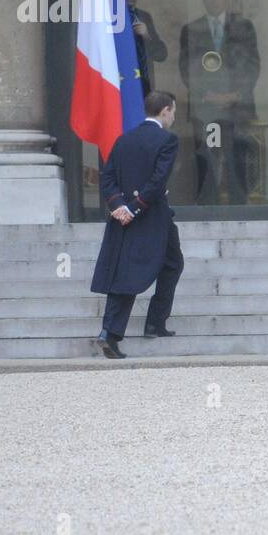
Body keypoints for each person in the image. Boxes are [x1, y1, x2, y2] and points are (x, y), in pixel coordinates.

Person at [89, 91, 184, 359]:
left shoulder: (123, 140)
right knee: (129, 275)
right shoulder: (167, 140)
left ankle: (155, 322)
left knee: (172, 263)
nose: (174, 117)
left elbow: (107, 178)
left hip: (128, 216)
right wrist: (133, 208)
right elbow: (158, 180)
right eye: (173, 111)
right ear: (165, 110)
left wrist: (119, 206)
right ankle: (110, 333)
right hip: (151, 217)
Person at [179, 0, 261, 205]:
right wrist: (206, 95)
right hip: (205, 108)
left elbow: (252, 65)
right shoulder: (191, 29)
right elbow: (186, 68)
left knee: (237, 155)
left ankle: (238, 204)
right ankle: (207, 204)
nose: (214, 0)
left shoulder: (243, 26)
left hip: (236, 108)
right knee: (207, 155)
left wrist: (235, 95)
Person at [120, 0, 168, 96]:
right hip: (118, 85)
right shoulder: (107, 16)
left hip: (143, 87)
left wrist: (147, 36)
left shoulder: (144, 17)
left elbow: (161, 55)